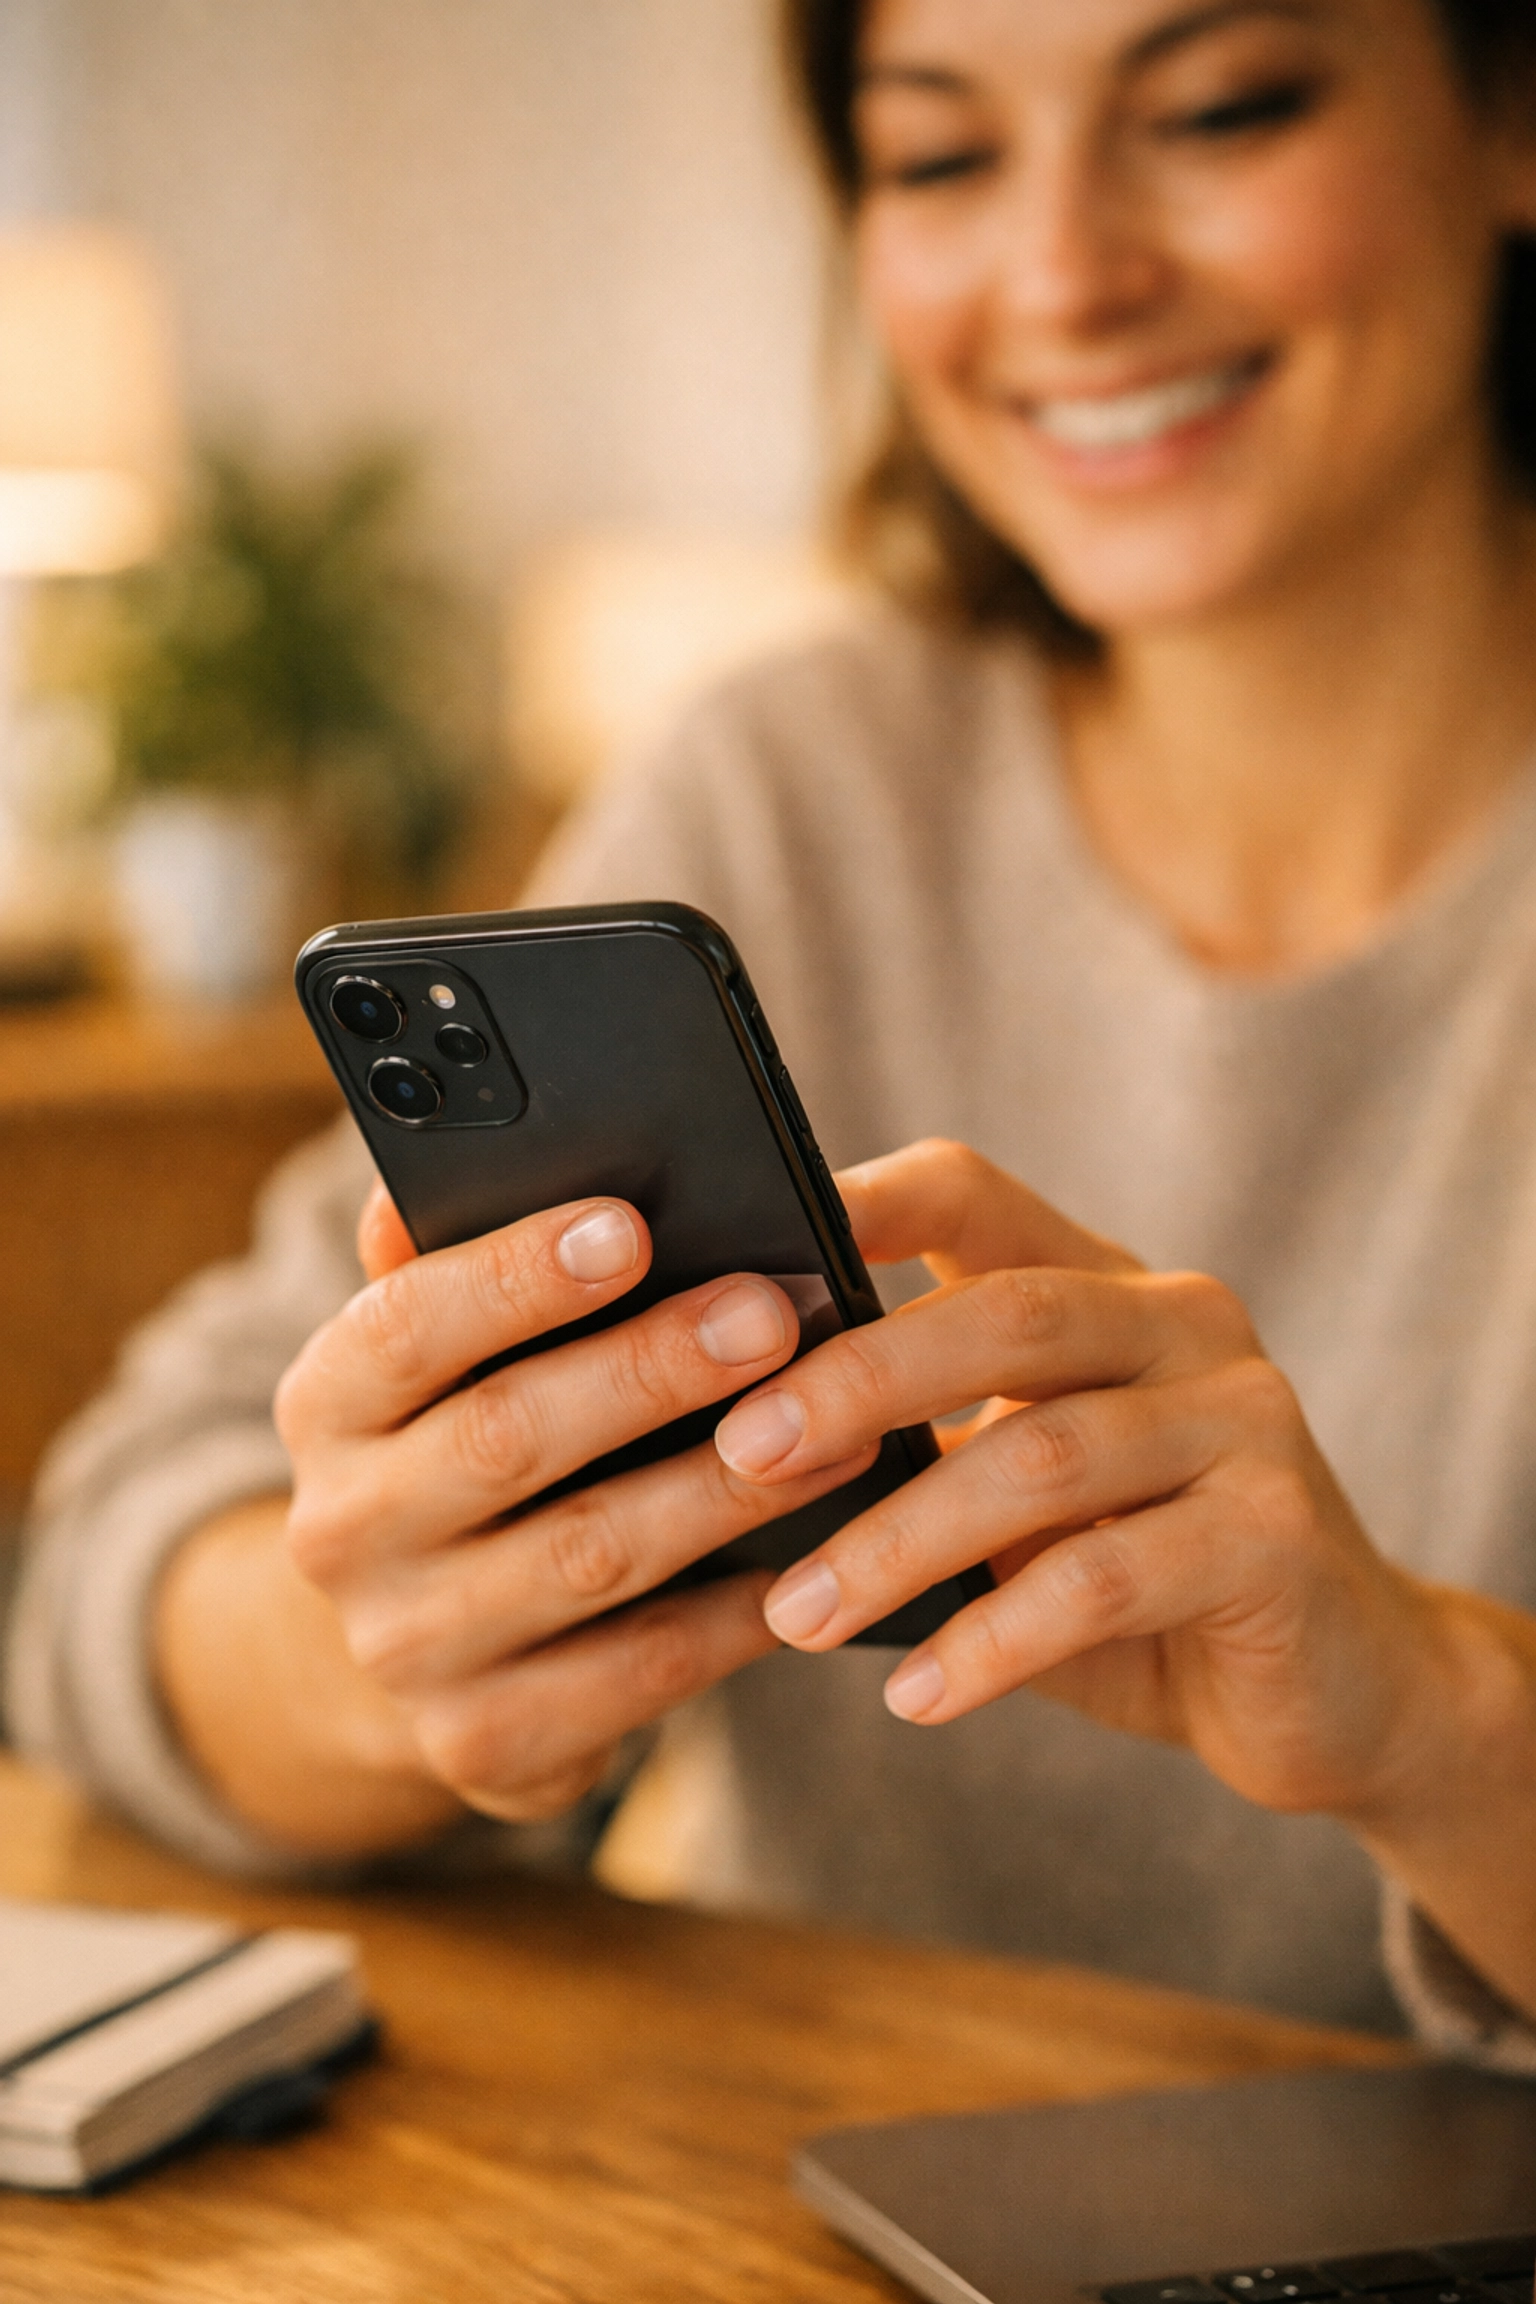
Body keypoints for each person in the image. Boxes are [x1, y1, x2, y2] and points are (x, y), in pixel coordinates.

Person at [11, 0, 1536, 2061]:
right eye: (939, 156)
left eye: (1218, 112)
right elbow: (115, 1561)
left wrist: (1443, 1727)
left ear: (1509, 117)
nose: (1067, 274)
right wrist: (402, 1653)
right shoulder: (784, 795)